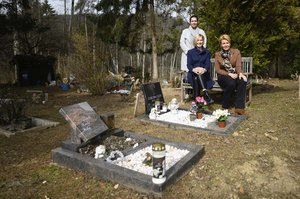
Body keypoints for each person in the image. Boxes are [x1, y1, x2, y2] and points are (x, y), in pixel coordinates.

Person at [214, 34, 247, 115]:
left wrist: (241, 74)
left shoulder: (236, 52)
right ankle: (225, 106)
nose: (226, 45)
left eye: (227, 43)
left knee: (242, 81)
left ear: (230, 43)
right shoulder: (218, 54)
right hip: (223, 76)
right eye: (223, 43)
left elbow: (238, 65)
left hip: (234, 74)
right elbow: (218, 70)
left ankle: (239, 108)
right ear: (221, 45)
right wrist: (229, 74)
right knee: (231, 83)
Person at [187, 34, 214, 104]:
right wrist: (194, 69)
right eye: (198, 40)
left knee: (197, 77)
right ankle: (206, 94)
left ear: (203, 41)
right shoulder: (190, 52)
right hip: (192, 73)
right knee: (196, 76)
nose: (199, 42)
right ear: (195, 42)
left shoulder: (207, 52)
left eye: (201, 40)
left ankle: (196, 102)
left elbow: (208, 64)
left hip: (204, 74)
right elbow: (189, 65)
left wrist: (203, 69)